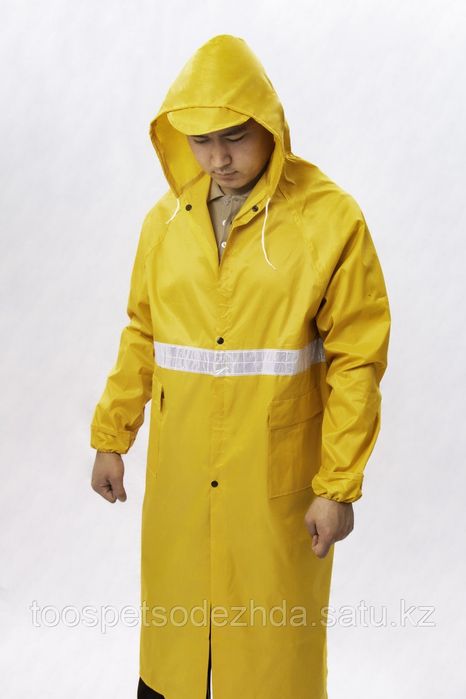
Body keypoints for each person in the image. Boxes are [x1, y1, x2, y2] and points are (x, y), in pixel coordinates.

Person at [90, 34, 391, 699]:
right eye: (200, 141)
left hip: (273, 488)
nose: (218, 158)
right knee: (175, 649)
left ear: (270, 126)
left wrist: (338, 485)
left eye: (234, 137)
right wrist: (112, 436)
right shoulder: (166, 223)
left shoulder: (329, 219)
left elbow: (357, 358)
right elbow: (143, 333)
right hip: (182, 481)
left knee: (269, 655)